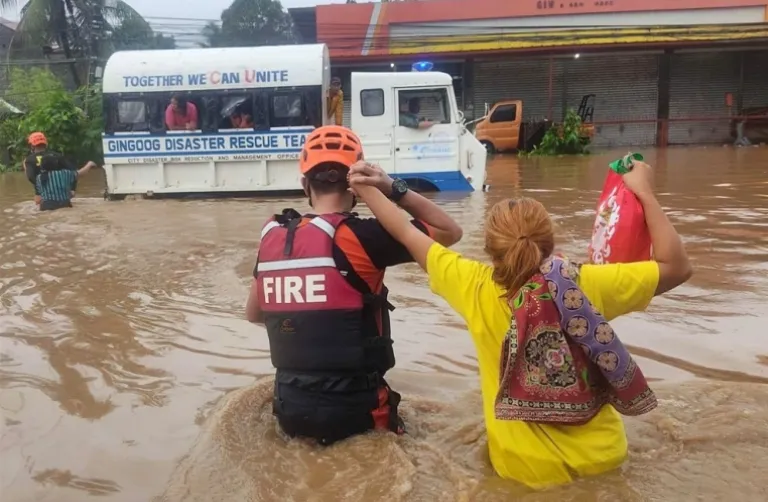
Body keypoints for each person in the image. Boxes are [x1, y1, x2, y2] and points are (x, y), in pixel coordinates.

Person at [348, 160, 692, 489]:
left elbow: (406, 232)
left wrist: (372, 187)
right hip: (604, 459)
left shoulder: (472, 285)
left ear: (489, 249)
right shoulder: (586, 285)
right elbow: (677, 267)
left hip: (523, 470)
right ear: (550, 242)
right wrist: (644, 192)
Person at [245, 125, 463, 445]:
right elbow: (449, 231)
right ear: (356, 186)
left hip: (289, 408)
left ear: (306, 184)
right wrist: (392, 188)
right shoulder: (366, 237)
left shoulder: (274, 238)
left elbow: (254, 314)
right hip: (358, 411)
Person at [24, 132, 97, 211]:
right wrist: (72, 189)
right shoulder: (56, 156)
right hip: (63, 195)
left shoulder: (29, 161)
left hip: (43, 196)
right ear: (46, 144)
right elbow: (74, 172)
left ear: (32, 146)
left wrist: (40, 191)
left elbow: (31, 177)